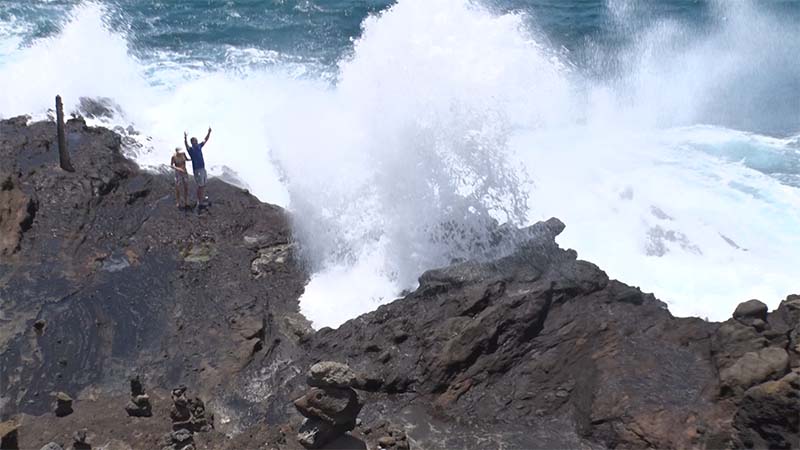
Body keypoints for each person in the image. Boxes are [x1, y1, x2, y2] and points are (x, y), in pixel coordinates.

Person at [184, 127, 212, 208]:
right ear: (192, 142)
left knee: (203, 185)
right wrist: (185, 138)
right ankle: (200, 202)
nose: (196, 142)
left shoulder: (199, 146)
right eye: (194, 141)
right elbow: (186, 145)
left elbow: (205, 140)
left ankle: (201, 199)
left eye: (196, 141)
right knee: (200, 185)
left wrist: (209, 132)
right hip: (197, 170)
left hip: (202, 168)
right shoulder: (191, 150)